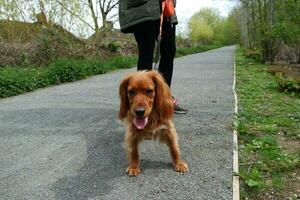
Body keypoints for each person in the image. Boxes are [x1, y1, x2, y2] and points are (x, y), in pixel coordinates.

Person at [118, 0, 188, 114]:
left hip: (165, 7)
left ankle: (163, 98)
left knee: (169, 50)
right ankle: (141, 103)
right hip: (142, 8)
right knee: (146, 52)